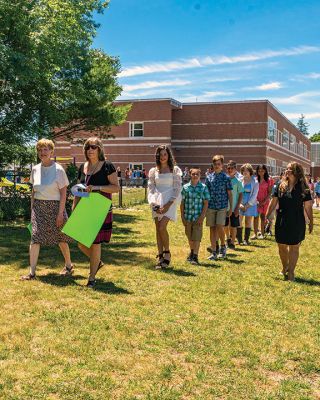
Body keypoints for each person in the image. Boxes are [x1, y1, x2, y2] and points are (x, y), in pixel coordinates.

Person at [21, 139, 74, 280]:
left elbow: (63, 193)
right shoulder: (35, 169)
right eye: (40, 150)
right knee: (35, 237)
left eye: (45, 149)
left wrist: (60, 214)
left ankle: (69, 265)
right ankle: (32, 273)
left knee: (61, 238)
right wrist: (32, 208)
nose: (42, 152)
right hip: (38, 208)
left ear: (51, 151)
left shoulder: (59, 170)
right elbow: (34, 190)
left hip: (56, 207)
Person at [73, 137, 119, 288]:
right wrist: (74, 208)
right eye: (88, 147)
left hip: (100, 206)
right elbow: (79, 190)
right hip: (85, 206)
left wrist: (97, 187)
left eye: (93, 147)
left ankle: (91, 278)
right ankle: (97, 262)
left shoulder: (107, 166)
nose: (90, 150)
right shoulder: (82, 167)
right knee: (80, 242)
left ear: (99, 149)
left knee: (95, 242)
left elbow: (115, 188)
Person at [266, 162, 313, 281]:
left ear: (296, 172)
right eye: (286, 169)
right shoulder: (279, 185)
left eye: (290, 169)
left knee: (294, 246)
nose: (287, 171)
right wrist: (267, 215)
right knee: (281, 245)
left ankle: (291, 272)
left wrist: (311, 222)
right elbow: (273, 201)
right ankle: (285, 267)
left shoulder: (303, 187)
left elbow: (308, 206)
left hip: (297, 220)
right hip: (282, 218)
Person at [148, 145, 182, 269]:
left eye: (165, 154)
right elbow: (151, 188)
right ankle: (160, 256)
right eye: (160, 154)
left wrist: (168, 205)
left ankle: (167, 252)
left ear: (169, 155)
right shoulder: (153, 171)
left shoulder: (175, 170)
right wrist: (153, 202)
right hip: (157, 201)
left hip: (169, 201)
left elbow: (177, 188)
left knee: (162, 227)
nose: (162, 157)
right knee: (158, 228)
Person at [205, 155, 233, 260]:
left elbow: (230, 193)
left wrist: (230, 208)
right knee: (212, 229)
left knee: (219, 226)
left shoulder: (226, 178)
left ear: (222, 165)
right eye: (215, 164)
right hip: (211, 206)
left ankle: (223, 247)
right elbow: (206, 193)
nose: (217, 166)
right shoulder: (209, 177)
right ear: (213, 165)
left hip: (222, 206)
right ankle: (213, 251)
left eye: (219, 164)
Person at [180, 167, 210, 265]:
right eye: (193, 174)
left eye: (197, 174)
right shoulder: (185, 188)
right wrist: (182, 217)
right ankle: (192, 252)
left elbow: (206, 203)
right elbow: (182, 203)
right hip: (188, 217)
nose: (195, 176)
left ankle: (195, 256)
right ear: (190, 175)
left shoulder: (204, 187)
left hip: (198, 217)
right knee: (189, 236)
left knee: (196, 237)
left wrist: (202, 216)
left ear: (200, 175)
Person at [237, 163, 259, 245]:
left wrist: (247, 205)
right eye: (243, 171)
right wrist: (240, 204)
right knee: (239, 221)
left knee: (248, 221)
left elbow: (254, 195)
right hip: (240, 203)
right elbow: (237, 193)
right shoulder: (240, 180)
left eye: (246, 170)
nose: (245, 172)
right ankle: (239, 240)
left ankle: (246, 240)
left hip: (250, 204)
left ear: (250, 171)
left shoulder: (255, 182)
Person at [225, 160, 244, 250]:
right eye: (228, 168)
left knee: (233, 225)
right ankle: (228, 238)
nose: (230, 170)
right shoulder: (224, 180)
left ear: (235, 170)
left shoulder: (238, 181)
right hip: (225, 207)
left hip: (234, 208)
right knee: (225, 224)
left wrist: (237, 207)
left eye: (232, 168)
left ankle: (232, 242)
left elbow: (240, 194)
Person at [253, 165, 274, 239]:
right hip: (256, 201)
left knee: (263, 217)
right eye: (259, 171)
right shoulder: (255, 180)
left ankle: (262, 233)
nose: (260, 172)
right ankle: (255, 234)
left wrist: (264, 201)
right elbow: (253, 191)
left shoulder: (269, 180)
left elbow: (270, 192)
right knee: (255, 217)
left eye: (262, 170)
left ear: (265, 171)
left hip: (265, 201)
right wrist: (256, 201)